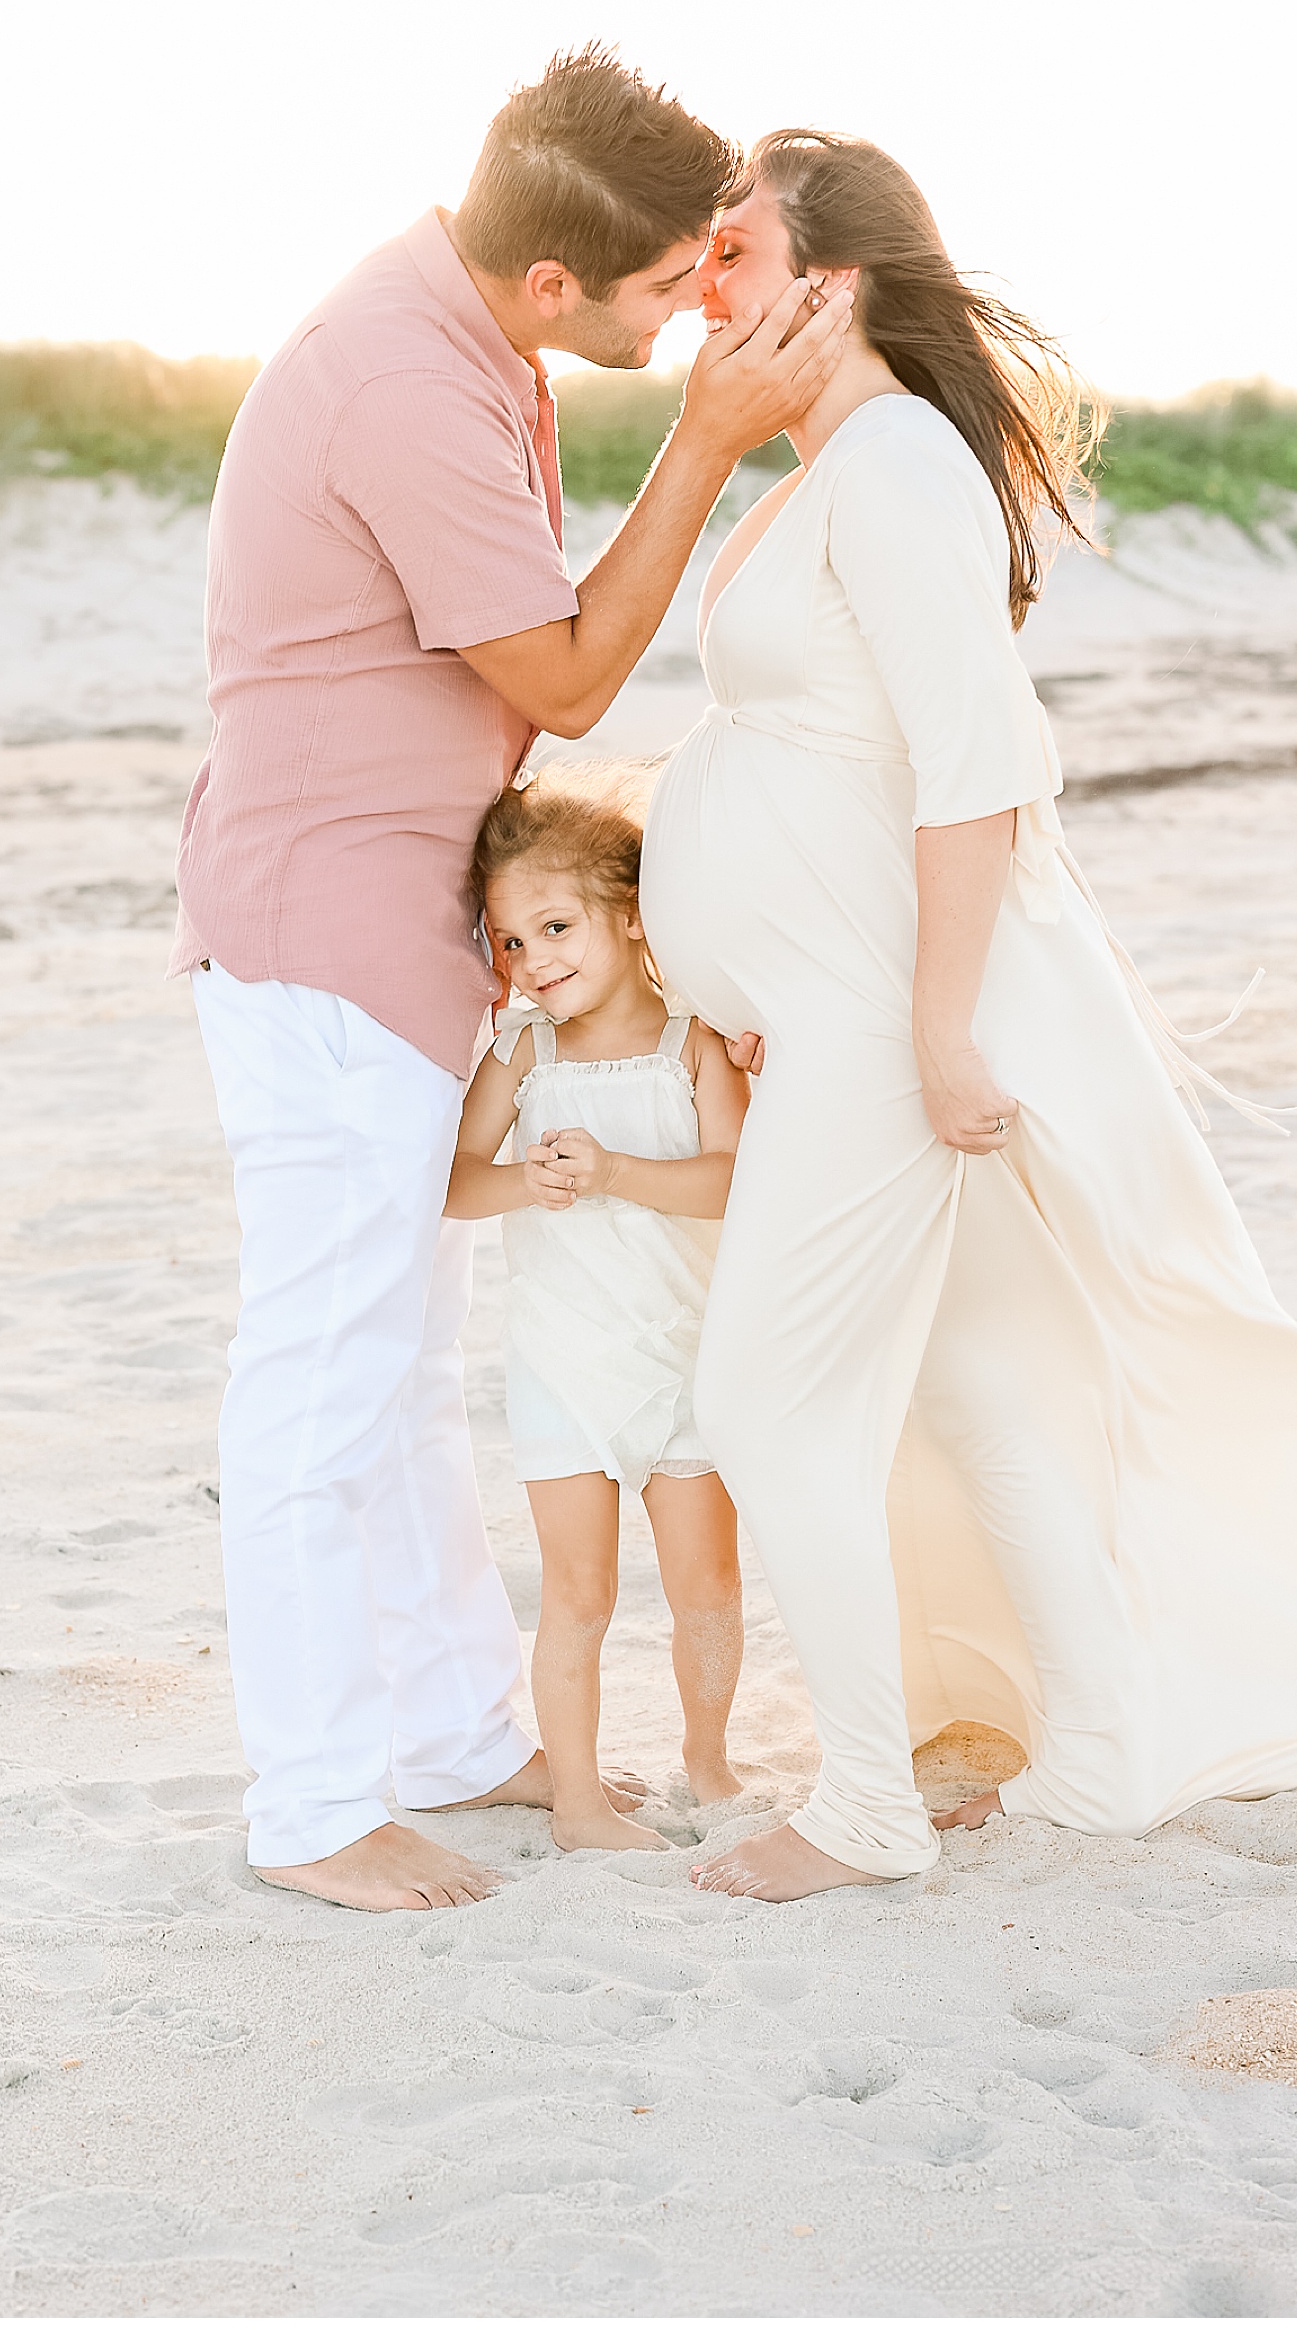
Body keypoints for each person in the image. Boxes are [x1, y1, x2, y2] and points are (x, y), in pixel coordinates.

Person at [637, 130, 1297, 1902]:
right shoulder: (825, 464)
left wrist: (940, 1025)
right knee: (978, 1378)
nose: (701, 278)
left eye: (734, 250)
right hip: (828, 1010)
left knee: (764, 1395)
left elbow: (973, 766)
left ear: (834, 281)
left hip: (880, 1028)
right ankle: (1106, 1752)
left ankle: (863, 1809)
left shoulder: (894, 461)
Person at [173, 54, 852, 1912]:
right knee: (322, 1380)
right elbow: (559, 685)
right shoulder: (404, 380)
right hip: (327, 942)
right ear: (556, 284)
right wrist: (708, 441)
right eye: (661, 285)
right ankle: (316, 1806)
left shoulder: (464, 338)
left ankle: (469, 1738)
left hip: (388, 938)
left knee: (395, 1373)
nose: (688, 306)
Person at [446, 767, 750, 1853]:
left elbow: (735, 1182)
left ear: (628, 916)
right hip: (563, 1365)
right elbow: (449, 1182)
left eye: (556, 925)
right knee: (576, 1593)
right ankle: (576, 1798)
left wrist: (616, 1169)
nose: (533, 961)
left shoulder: (693, 1046)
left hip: (685, 1358)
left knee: (706, 1583)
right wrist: (530, 1181)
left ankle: (708, 1762)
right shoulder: (522, 1054)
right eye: (511, 941)